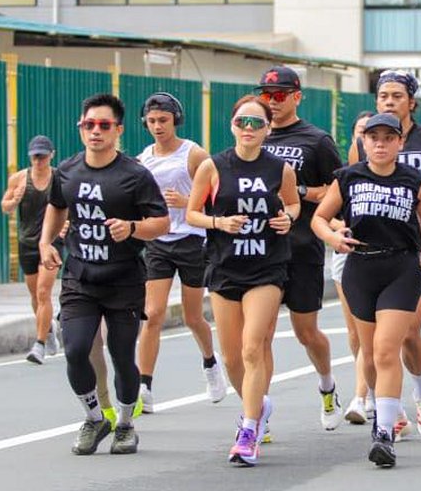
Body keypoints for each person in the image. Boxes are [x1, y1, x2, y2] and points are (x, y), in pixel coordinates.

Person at [39, 94, 170, 456]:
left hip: (123, 280)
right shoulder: (67, 170)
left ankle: (125, 425)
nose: (95, 131)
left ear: (118, 130)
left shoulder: (134, 175)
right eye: (89, 125)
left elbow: (161, 222)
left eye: (104, 125)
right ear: (80, 128)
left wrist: (132, 228)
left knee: (122, 355)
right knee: (75, 350)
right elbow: (57, 206)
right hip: (80, 277)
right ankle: (95, 418)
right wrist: (46, 243)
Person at [313, 113, 421, 467]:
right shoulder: (348, 178)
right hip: (360, 268)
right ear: (364, 142)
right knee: (369, 354)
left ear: (400, 142)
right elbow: (319, 218)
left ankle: (384, 434)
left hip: (401, 267)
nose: (381, 144)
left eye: (388, 137)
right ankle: (387, 411)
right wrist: (333, 237)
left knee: (386, 350)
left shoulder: (414, 180)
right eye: (374, 138)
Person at [349, 69, 421, 436]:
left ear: (412, 102)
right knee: (379, 344)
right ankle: (393, 411)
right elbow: (350, 186)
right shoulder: (366, 141)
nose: (389, 102)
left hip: (415, 251)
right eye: (383, 96)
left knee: (410, 330)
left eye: (397, 96)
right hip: (372, 253)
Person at [187, 95, 299, 466]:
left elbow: (293, 203)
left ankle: (248, 431)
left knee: (253, 348)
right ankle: (259, 406)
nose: (248, 129)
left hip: (267, 267)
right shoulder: (213, 166)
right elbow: (192, 214)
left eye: (256, 123)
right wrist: (219, 222)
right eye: (242, 122)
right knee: (232, 356)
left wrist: (287, 219)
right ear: (232, 126)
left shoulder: (279, 168)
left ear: (268, 128)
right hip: (225, 266)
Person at [257, 66, 344, 429]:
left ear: (296, 97)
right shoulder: (254, 136)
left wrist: (299, 192)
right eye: (266, 96)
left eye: (279, 96)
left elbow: (338, 189)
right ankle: (257, 416)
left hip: (303, 247)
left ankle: (327, 385)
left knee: (305, 332)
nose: (272, 102)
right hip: (262, 251)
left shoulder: (316, 140)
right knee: (259, 336)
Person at [135, 93, 226, 411]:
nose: (157, 126)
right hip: (159, 241)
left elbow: (220, 194)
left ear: (176, 120)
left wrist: (187, 202)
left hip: (192, 239)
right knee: (152, 314)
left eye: (163, 120)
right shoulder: (144, 158)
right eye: (151, 121)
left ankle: (210, 362)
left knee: (192, 316)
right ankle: (144, 386)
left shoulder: (194, 154)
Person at [2, 135, 63, 364]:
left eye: (43, 156)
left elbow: (71, 206)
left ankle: (39, 344)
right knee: (35, 295)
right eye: (35, 156)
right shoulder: (19, 178)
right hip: (27, 242)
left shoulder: (59, 178)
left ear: (51, 155)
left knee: (43, 292)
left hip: (51, 242)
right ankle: (48, 329)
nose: (39, 161)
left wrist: (67, 223)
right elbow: (5, 206)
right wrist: (14, 201)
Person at [336, 111, 375, 425]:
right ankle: (371, 386)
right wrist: (338, 230)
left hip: (384, 258)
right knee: (355, 332)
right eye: (361, 133)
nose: (367, 139)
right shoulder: (345, 176)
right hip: (346, 254)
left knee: (375, 333)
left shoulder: (397, 175)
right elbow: (324, 216)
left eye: (372, 133)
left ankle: (361, 397)